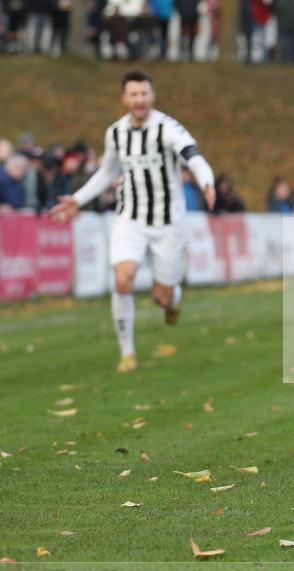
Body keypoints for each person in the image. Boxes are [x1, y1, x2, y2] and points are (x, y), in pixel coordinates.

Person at [50, 70, 215, 374]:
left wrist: (207, 181)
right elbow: (107, 172)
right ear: (124, 98)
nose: (139, 100)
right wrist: (79, 198)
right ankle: (128, 353)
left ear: (152, 96)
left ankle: (173, 298)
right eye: (133, 94)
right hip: (130, 217)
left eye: (144, 94)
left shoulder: (168, 128)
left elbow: (193, 156)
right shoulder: (115, 133)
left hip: (168, 222)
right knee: (123, 277)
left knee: (161, 296)